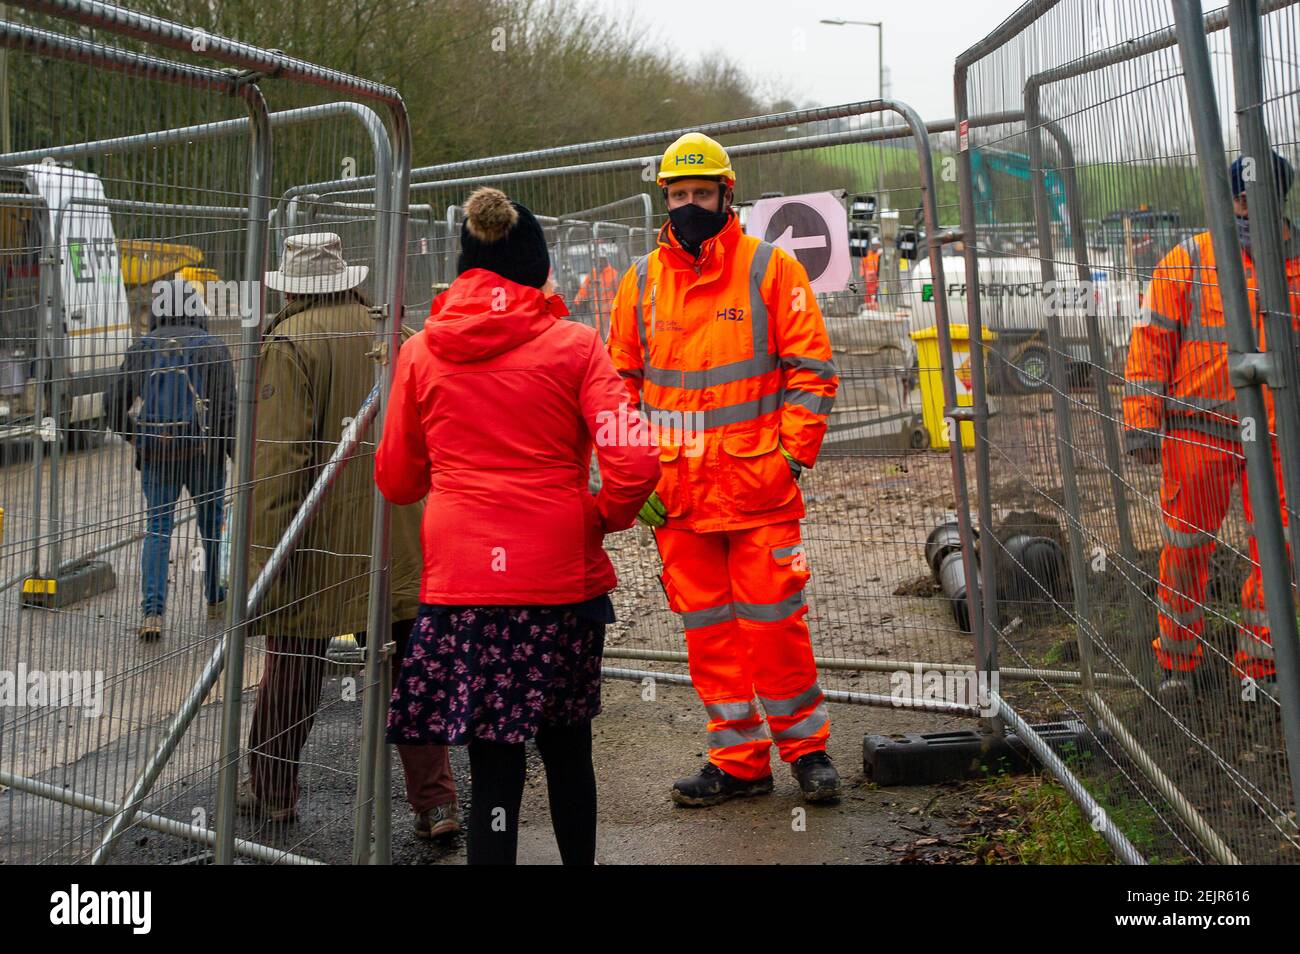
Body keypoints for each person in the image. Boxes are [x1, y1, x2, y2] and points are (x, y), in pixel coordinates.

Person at [376, 187, 659, 865]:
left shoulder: (419, 355)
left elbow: (396, 479)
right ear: (537, 268)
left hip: (463, 588)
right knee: (568, 750)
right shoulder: (577, 345)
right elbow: (636, 460)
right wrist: (601, 516)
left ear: (465, 265)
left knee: (493, 765)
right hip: (561, 585)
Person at [607, 132, 843, 806]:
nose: (688, 206)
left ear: (725, 195)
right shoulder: (641, 283)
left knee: (776, 629)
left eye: (700, 194)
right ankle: (739, 761)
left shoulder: (772, 271)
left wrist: (792, 459)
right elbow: (617, 384)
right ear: (664, 199)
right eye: (678, 195)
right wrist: (634, 473)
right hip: (677, 499)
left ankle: (807, 753)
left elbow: (813, 372)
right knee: (710, 638)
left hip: (759, 492)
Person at [239, 232, 458, 838]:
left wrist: (264, 558)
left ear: (292, 285)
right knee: (411, 676)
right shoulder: (399, 337)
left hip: (316, 540)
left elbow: (280, 460)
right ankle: (436, 803)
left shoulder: (288, 344)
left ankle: (274, 789)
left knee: (293, 669)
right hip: (400, 534)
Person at [1123, 151, 1299, 701]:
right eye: (1242, 197)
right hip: (1197, 430)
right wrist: (1141, 423)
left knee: (1280, 549)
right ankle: (1177, 663)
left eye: (1259, 197)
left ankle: (1262, 669)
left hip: (1277, 437)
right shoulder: (1187, 261)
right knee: (1186, 545)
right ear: (1229, 199)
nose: (1249, 207)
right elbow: (1150, 346)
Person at [106, 277, 234, 641]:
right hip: (203, 453)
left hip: (157, 452)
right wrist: (234, 453)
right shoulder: (212, 346)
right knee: (212, 527)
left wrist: (135, 436)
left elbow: (112, 404)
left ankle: (153, 613)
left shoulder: (142, 347)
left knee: (158, 528)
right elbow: (226, 410)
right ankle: (215, 599)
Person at [572, 254, 619, 338]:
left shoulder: (613, 273)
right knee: (599, 327)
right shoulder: (593, 273)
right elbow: (585, 287)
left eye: (600, 260)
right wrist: (577, 300)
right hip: (597, 306)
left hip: (611, 305)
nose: (597, 263)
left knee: (610, 326)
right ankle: (602, 342)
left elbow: (618, 290)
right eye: (596, 261)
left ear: (605, 261)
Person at [861, 235, 882, 308]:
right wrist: (863, 275)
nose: (875, 247)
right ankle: (869, 306)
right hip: (868, 279)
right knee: (868, 293)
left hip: (877, 278)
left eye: (877, 245)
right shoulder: (867, 254)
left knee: (876, 292)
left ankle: (875, 306)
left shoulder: (879, 255)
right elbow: (862, 265)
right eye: (874, 245)